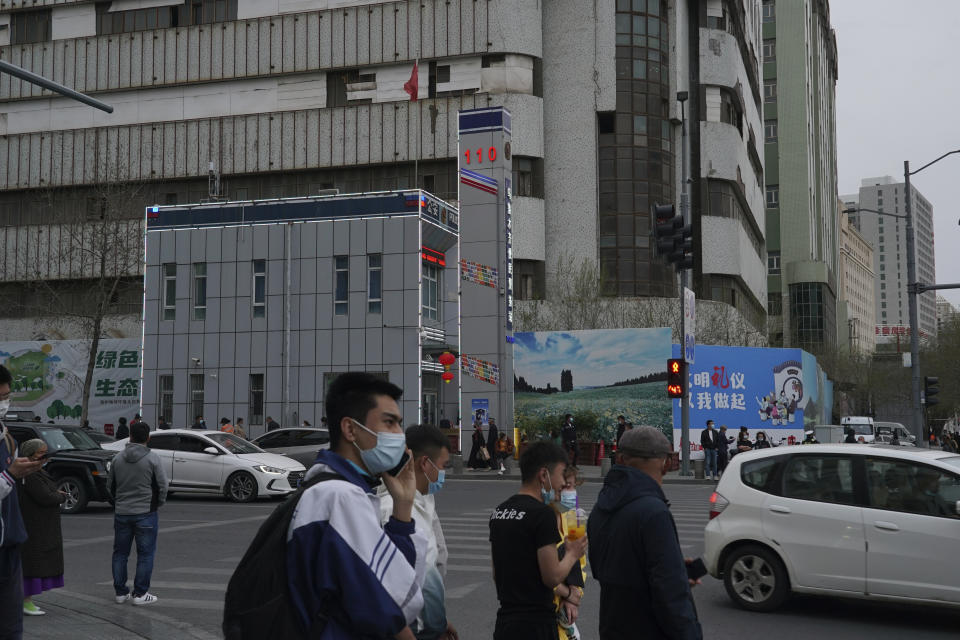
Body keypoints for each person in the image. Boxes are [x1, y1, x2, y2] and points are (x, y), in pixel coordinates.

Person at [286, 372, 426, 639]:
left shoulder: (329, 486)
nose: (400, 435)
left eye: (399, 424)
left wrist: (403, 506)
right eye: (390, 423)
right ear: (350, 429)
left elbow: (385, 580)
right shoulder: (340, 497)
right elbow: (394, 602)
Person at [588, 427, 702, 640]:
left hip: (612, 627)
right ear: (666, 463)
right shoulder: (654, 512)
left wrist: (672, 568)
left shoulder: (600, 508)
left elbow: (602, 568)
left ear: (620, 459)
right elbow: (671, 596)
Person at [489, 441, 588, 640]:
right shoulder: (543, 515)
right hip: (536, 623)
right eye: (561, 476)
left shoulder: (499, 511)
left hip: (506, 621)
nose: (562, 484)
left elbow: (496, 572)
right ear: (543, 475)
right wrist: (571, 554)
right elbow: (551, 577)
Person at [377, 425, 457, 640]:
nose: (443, 473)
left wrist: (440, 619)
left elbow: (438, 559)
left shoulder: (425, 500)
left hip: (428, 624)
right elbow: (401, 585)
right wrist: (433, 625)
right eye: (443, 466)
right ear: (424, 463)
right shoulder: (393, 510)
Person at [1, 365, 44, 640]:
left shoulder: (6, 438)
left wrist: (22, 471)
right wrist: (10, 475)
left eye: (6, 396)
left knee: (10, 628)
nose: (4, 403)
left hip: (9, 546)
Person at [109, 421, 169, 606]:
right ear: (148, 438)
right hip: (146, 512)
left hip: (122, 512)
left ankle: (120, 593)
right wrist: (157, 504)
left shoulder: (117, 458)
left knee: (120, 554)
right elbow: (162, 486)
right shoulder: (153, 458)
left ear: (130, 437)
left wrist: (117, 503)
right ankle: (140, 594)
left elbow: (110, 486)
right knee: (145, 554)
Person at [17, 439, 65, 617]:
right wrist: (59, 497)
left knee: (35, 563)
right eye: (41, 453)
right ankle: (25, 601)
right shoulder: (29, 473)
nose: (45, 457)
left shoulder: (35, 470)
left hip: (39, 525)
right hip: (34, 525)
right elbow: (45, 496)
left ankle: (27, 601)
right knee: (32, 565)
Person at [552, 466, 586, 640]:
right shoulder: (543, 516)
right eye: (565, 487)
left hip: (565, 608)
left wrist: (574, 594)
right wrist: (567, 593)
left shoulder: (574, 516)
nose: (570, 492)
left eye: (572, 486)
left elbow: (579, 562)